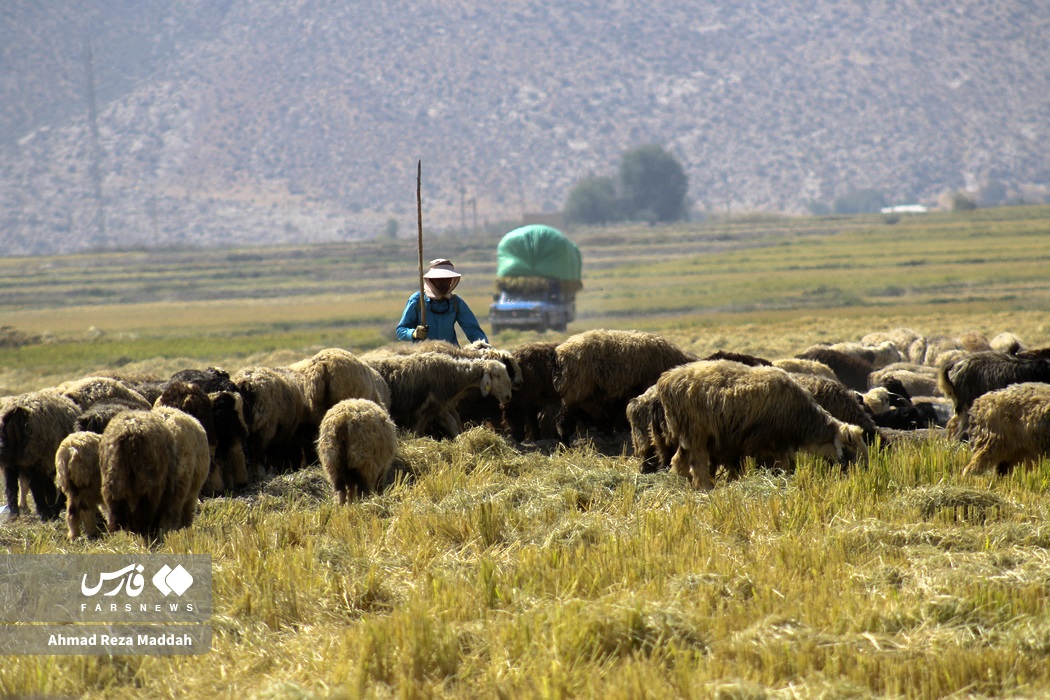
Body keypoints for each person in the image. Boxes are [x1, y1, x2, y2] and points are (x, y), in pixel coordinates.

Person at [396, 258, 489, 346]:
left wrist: (484, 347)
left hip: (450, 355)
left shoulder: (456, 303)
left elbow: (473, 331)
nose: (443, 283)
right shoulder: (417, 300)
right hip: (423, 355)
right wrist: (413, 333)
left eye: (447, 279)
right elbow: (400, 331)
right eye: (439, 279)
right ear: (431, 280)